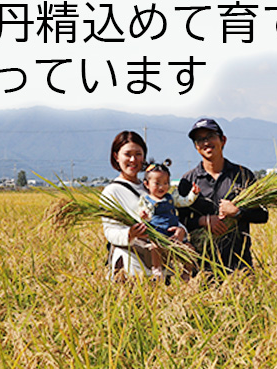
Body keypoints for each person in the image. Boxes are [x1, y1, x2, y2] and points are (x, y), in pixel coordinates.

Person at [178, 118, 268, 272]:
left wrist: (238, 213)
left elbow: (262, 215)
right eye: (200, 139)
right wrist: (203, 221)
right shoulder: (188, 181)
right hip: (201, 266)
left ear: (223, 140)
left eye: (210, 136)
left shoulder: (242, 175)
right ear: (196, 146)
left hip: (239, 265)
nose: (206, 142)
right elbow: (177, 221)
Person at [101, 131, 186, 280]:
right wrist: (130, 234)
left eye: (138, 154)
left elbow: (167, 215)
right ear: (116, 156)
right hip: (131, 267)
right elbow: (110, 231)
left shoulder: (152, 186)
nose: (133, 160)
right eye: (127, 154)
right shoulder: (112, 192)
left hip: (161, 269)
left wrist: (181, 231)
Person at [137, 160, 198, 280]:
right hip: (158, 234)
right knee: (155, 247)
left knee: (190, 249)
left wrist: (193, 194)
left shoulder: (171, 197)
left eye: (166, 183)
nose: (162, 187)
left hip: (174, 233)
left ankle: (186, 272)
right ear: (146, 184)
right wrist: (143, 216)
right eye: (157, 183)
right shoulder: (146, 201)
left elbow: (184, 202)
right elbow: (143, 215)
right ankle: (157, 268)